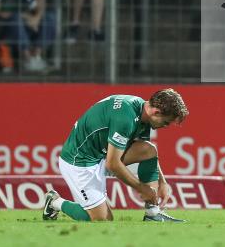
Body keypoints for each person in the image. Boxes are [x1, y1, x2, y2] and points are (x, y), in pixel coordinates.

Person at [42, 89, 189, 222]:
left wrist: (162, 182)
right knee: (102, 219)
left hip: (101, 155)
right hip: (79, 161)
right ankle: (54, 202)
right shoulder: (125, 118)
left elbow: (145, 152)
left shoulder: (142, 113)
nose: (165, 126)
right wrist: (142, 189)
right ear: (156, 112)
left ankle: (153, 213)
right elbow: (112, 164)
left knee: (148, 150)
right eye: (166, 122)